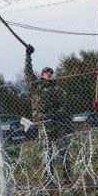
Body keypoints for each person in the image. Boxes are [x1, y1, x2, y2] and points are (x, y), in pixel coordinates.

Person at [24, 45, 74, 183]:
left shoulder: (58, 90)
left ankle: (67, 177)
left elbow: (64, 108)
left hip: (57, 124)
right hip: (44, 125)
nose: (48, 74)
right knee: (47, 153)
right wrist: (28, 56)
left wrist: (56, 115)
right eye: (46, 72)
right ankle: (49, 178)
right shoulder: (36, 86)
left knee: (64, 151)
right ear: (41, 75)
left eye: (50, 72)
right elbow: (27, 72)